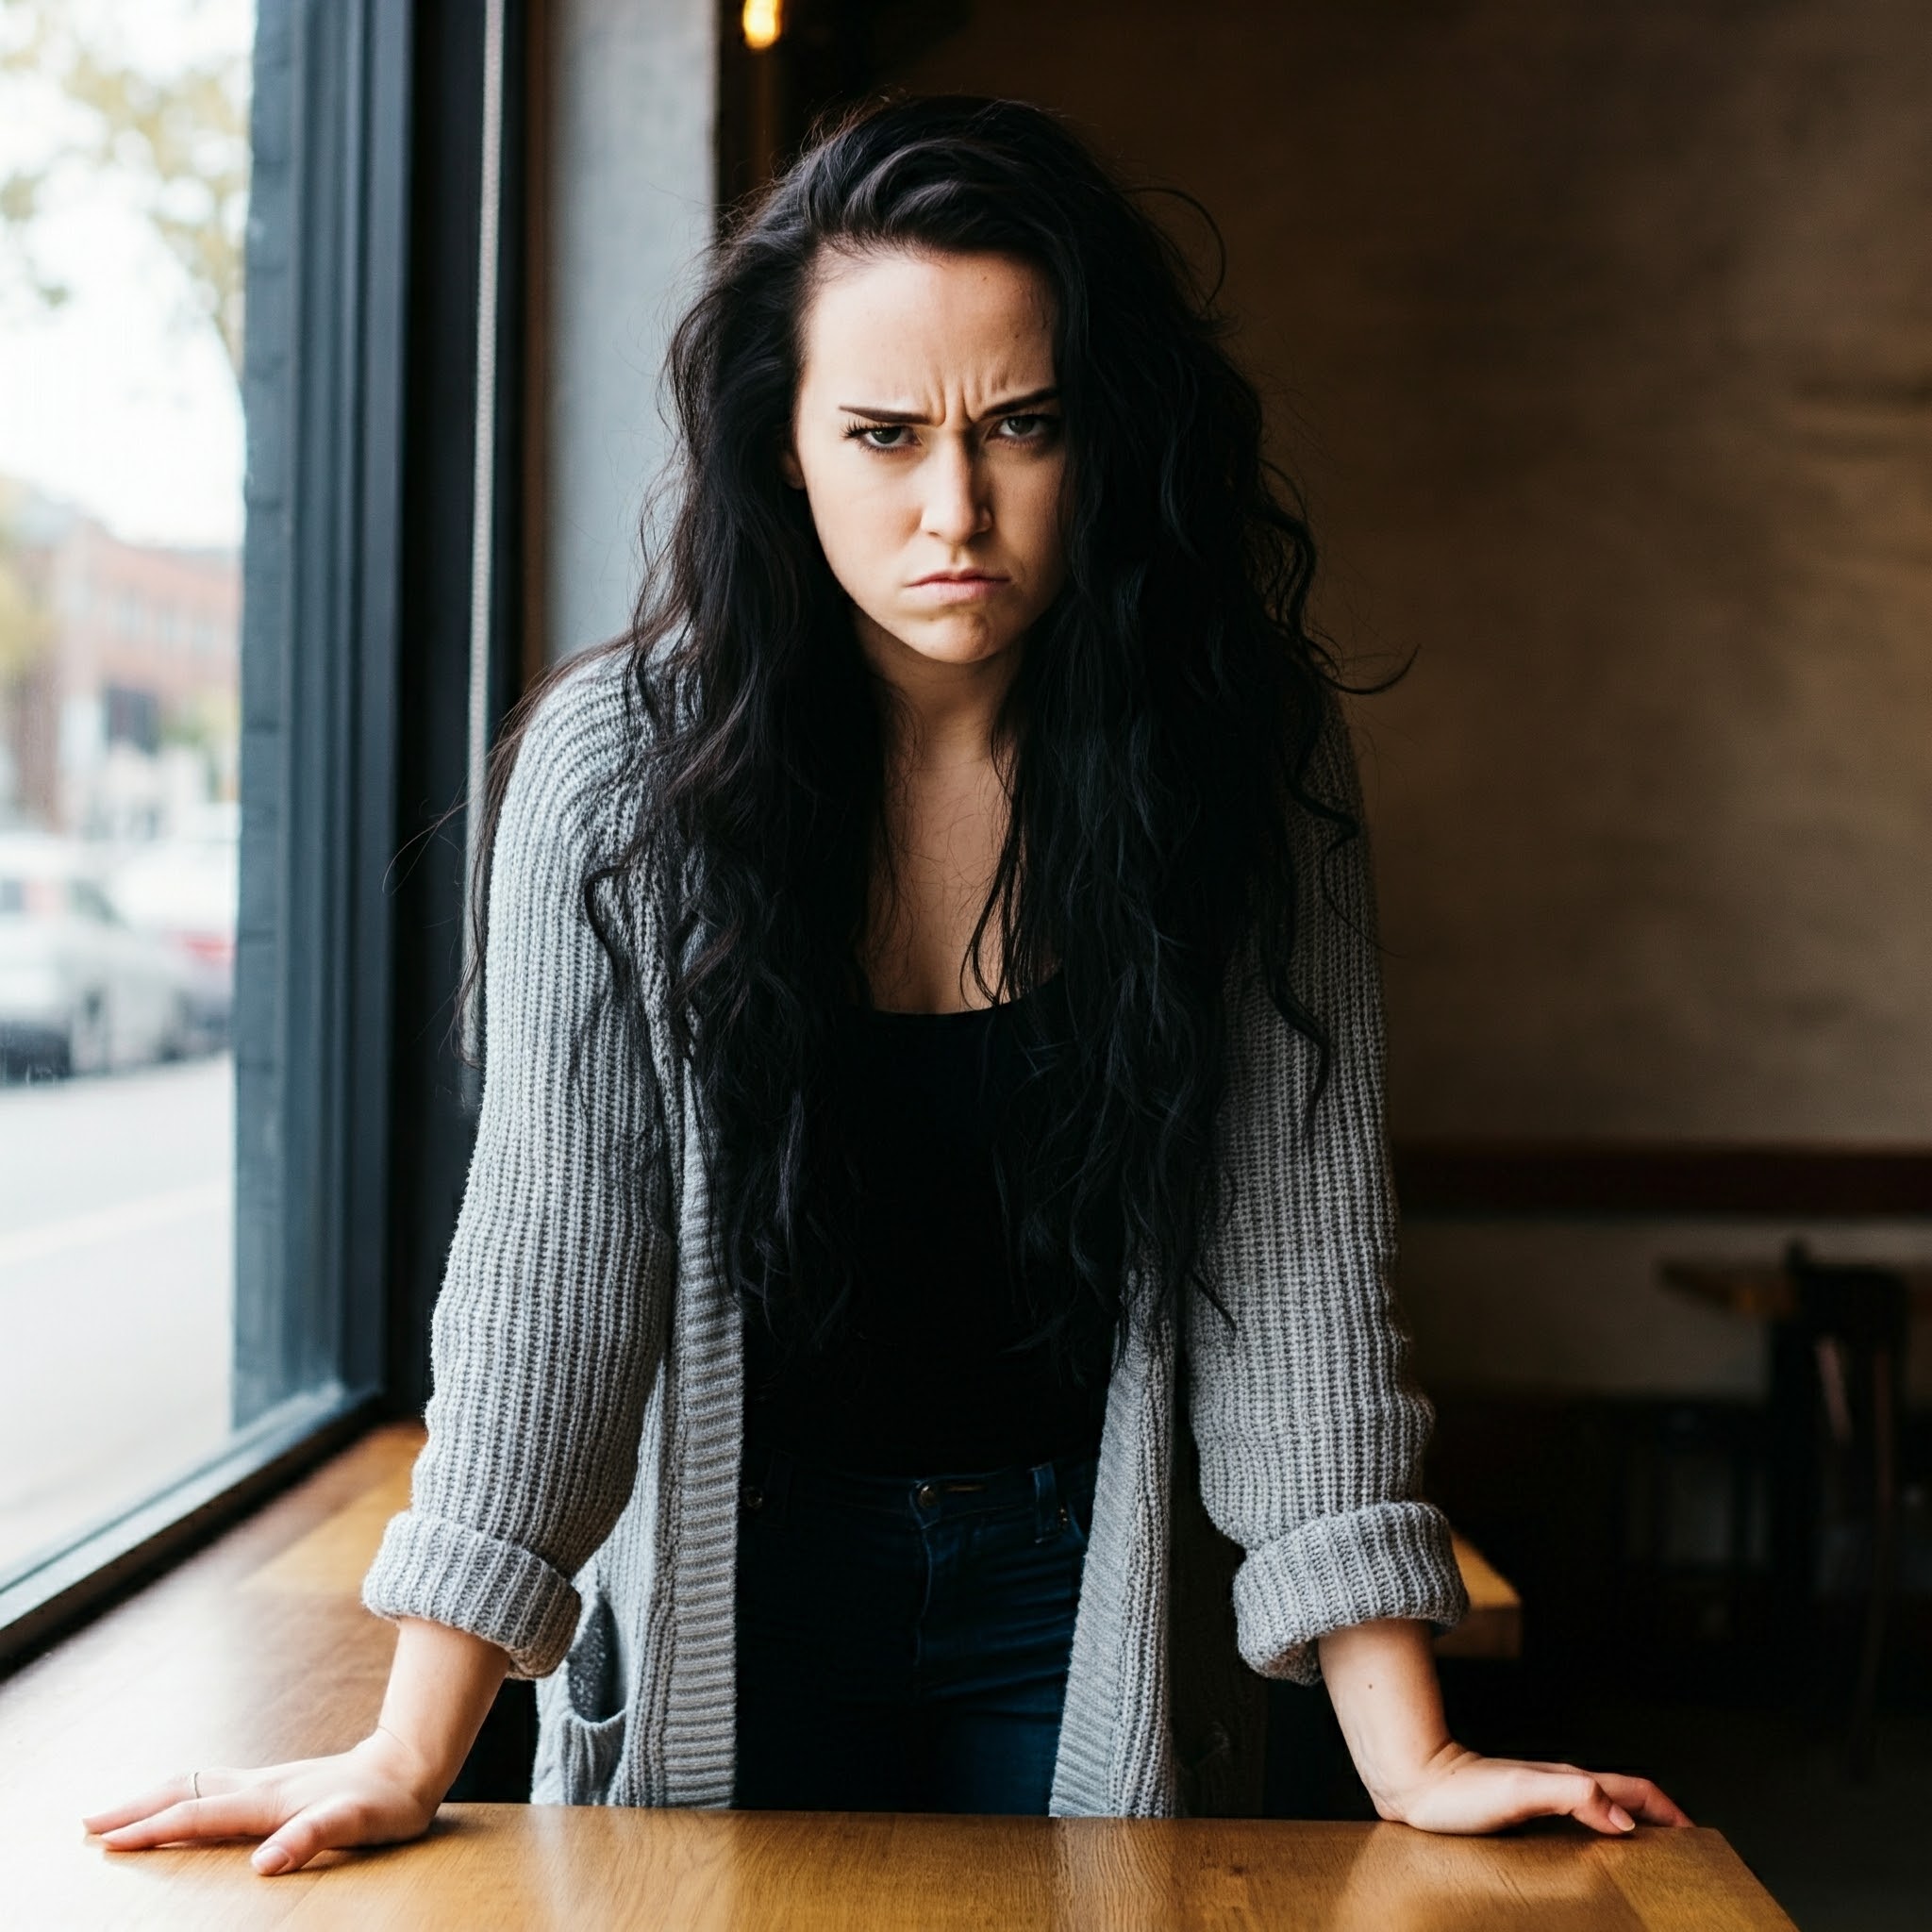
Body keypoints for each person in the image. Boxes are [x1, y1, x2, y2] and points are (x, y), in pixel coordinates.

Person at [82, 93, 1689, 1874]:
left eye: (1023, 426)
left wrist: (1415, 1754)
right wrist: (405, 1750)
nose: (956, 509)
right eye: (882, 433)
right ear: (782, 442)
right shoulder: (619, 778)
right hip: (743, 1578)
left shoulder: (1242, 759)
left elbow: (1296, 1256)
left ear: (1106, 434)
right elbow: (557, 1264)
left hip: (1082, 1589)